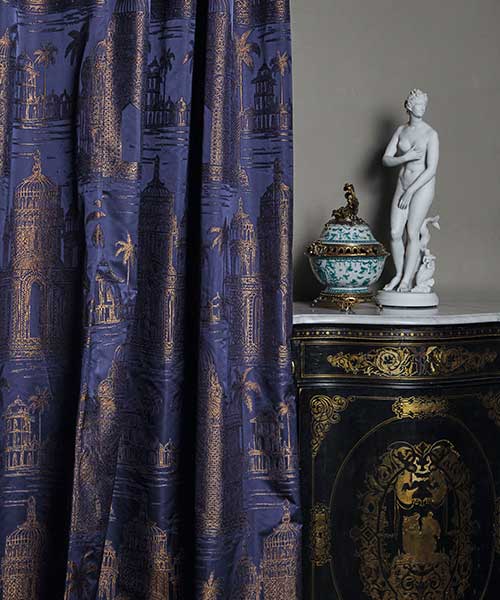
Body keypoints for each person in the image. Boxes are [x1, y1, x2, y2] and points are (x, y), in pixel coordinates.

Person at [382, 89, 439, 292]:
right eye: (418, 104)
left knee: (412, 232)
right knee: (395, 232)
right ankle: (398, 274)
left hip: (421, 186)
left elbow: (431, 169)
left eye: (424, 105)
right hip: (403, 182)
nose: (422, 108)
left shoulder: (431, 134)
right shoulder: (401, 130)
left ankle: (407, 280)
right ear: (409, 106)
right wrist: (405, 158)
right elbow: (386, 159)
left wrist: (411, 191)